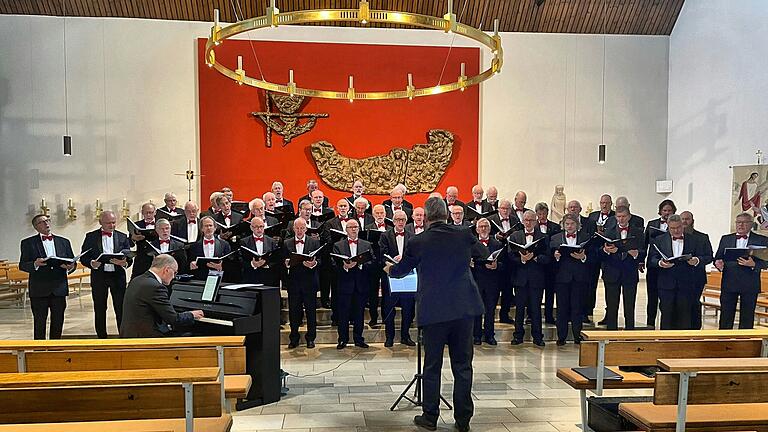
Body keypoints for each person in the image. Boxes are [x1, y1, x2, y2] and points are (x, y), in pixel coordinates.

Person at [385, 197, 483, 432]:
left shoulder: (418, 240)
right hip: (463, 309)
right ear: (447, 215)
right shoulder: (464, 234)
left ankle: (430, 417)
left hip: (434, 311)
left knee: (432, 365)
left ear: (427, 218)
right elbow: (483, 252)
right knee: (463, 366)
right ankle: (463, 420)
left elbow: (402, 270)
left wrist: (390, 269)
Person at [648, 214, 711, 330]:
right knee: (666, 314)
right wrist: (660, 263)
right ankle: (665, 341)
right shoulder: (659, 240)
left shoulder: (694, 240)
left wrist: (697, 260)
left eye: (678, 227)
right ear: (668, 227)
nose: (676, 230)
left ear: (683, 226)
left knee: (685, 315)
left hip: (686, 284)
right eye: (672, 228)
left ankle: (683, 342)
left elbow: (707, 256)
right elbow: (652, 259)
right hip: (666, 283)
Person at [19, 214, 77, 339]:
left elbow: (72, 261)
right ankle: (39, 350)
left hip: (59, 287)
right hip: (39, 288)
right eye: (42, 222)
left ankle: (55, 348)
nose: (46, 224)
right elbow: (22, 265)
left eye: (48, 220)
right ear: (36, 226)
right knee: (39, 322)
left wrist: (70, 267)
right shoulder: (28, 243)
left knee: (58, 321)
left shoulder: (64, 241)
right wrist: (35, 263)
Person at [120, 254, 204, 338]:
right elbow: (174, 319)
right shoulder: (155, 287)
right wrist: (192, 314)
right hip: (146, 338)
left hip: (130, 334)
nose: (174, 277)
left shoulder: (137, 280)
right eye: (174, 272)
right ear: (166, 270)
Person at [80, 210, 132, 338]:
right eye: (108, 223)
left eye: (114, 222)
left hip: (117, 276)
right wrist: (92, 263)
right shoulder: (91, 237)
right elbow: (84, 257)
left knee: (120, 307)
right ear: (100, 223)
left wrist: (124, 263)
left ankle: (123, 335)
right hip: (99, 277)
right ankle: (101, 337)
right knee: (100, 307)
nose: (112, 225)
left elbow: (129, 257)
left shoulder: (122, 236)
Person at [714, 212, 768, 329]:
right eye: (738, 222)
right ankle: (723, 341)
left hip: (750, 283)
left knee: (747, 317)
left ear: (751, 224)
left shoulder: (762, 240)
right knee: (726, 316)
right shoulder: (726, 239)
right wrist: (718, 263)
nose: (741, 225)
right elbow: (718, 257)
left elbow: (766, 262)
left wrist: (754, 264)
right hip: (729, 282)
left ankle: (745, 343)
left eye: (744, 222)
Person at [600, 205, 646, 330]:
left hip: (629, 272)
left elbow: (643, 251)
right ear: (615, 217)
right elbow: (600, 253)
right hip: (612, 272)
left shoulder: (637, 232)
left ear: (629, 217)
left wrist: (637, 254)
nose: (621, 219)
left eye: (624, 216)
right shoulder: (608, 231)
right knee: (612, 305)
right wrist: (607, 250)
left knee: (629, 304)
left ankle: (630, 331)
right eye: (619, 217)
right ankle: (611, 332)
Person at [509, 210, 549, 347]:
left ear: (536, 220)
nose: (528, 223)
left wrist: (536, 257)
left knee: (536, 309)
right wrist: (521, 259)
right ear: (522, 221)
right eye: (526, 220)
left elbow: (547, 257)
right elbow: (510, 256)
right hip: (520, 278)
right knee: (519, 309)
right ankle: (518, 335)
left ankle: (538, 337)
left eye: (531, 220)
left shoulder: (543, 237)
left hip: (536, 278)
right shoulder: (515, 236)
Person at [550, 214, 591, 345]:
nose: (570, 226)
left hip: (579, 278)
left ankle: (577, 335)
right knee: (562, 308)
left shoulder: (585, 237)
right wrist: (555, 256)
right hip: (562, 278)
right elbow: (549, 260)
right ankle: (561, 336)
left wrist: (584, 257)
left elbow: (593, 256)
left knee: (577, 308)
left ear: (577, 225)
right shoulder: (555, 239)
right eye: (567, 224)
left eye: (572, 224)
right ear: (563, 225)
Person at [332, 219, 374, 349]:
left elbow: (372, 262)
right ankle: (342, 339)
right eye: (351, 227)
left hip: (361, 285)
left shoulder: (366, 245)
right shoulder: (338, 245)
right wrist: (344, 266)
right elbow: (333, 264)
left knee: (359, 313)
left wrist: (359, 264)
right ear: (346, 229)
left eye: (356, 227)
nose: (353, 229)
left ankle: (358, 339)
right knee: (343, 313)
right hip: (345, 284)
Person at [283, 217, 322, 348]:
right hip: (293, 282)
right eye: (297, 228)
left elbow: (321, 261)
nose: (299, 231)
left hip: (309, 281)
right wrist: (286, 264)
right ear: (293, 229)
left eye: (302, 228)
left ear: (306, 229)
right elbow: (282, 261)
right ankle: (294, 338)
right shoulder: (287, 243)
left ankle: (311, 338)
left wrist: (314, 263)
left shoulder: (314, 242)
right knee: (294, 311)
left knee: (311, 312)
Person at [380, 210, 416, 347]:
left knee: (408, 308)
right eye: (398, 220)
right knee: (389, 307)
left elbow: (415, 255)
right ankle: (389, 337)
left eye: (403, 220)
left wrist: (404, 259)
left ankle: (405, 336)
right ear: (393, 221)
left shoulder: (412, 236)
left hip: (407, 276)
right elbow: (381, 254)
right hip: (391, 276)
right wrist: (393, 260)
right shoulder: (385, 235)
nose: (400, 222)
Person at [471, 217, 505, 345]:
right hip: (477, 281)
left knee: (490, 310)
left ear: (490, 229)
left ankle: (490, 335)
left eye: (486, 226)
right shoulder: (473, 244)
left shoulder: (497, 244)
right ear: (477, 229)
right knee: (477, 309)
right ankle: (477, 335)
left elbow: (504, 264)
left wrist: (497, 266)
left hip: (492, 281)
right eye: (481, 227)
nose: (484, 229)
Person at [644, 199, 677, 328]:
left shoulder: (677, 227)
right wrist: (641, 260)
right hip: (654, 264)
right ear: (660, 212)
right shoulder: (652, 224)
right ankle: (650, 323)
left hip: (670, 266)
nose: (667, 213)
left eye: (669, 210)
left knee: (666, 298)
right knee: (652, 296)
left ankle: (667, 324)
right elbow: (645, 242)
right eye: (664, 210)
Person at [681, 211, 713, 329]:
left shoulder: (702, 237)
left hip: (696, 277)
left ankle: (695, 329)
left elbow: (709, 257)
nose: (685, 221)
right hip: (678, 278)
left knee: (694, 303)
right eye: (682, 219)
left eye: (687, 219)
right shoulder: (672, 237)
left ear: (692, 221)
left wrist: (698, 260)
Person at [535, 202, 562, 325]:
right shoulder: (532, 226)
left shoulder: (555, 227)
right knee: (536, 291)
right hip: (536, 264)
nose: (542, 216)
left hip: (551, 264)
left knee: (550, 291)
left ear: (547, 213)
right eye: (539, 214)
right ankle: (532, 315)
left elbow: (557, 243)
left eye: (544, 213)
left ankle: (549, 315)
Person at [366, 204, 390, 327]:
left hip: (387, 264)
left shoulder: (390, 227)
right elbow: (366, 246)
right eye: (377, 213)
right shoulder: (368, 228)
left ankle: (386, 317)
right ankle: (373, 318)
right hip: (373, 264)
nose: (380, 215)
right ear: (373, 215)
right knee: (372, 292)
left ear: (385, 214)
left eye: (382, 213)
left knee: (387, 292)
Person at [240, 217, 280, 286]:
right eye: (256, 227)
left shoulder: (272, 241)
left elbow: (276, 259)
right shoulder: (244, 242)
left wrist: (267, 265)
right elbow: (240, 259)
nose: (259, 229)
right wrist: (252, 264)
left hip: (268, 278)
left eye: (261, 226)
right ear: (251, 228)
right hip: (251, 278)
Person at [188, 216, 231, 281]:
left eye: (210, 225)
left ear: (215, 228)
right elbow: (188, 264)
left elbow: (230, 264)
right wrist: (191, 264)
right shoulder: (194, 246)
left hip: (219, 279)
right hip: (200, 280)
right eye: (206, 226)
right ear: (201, 229)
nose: (208, 228)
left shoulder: (225, 244)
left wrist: (222, 266)